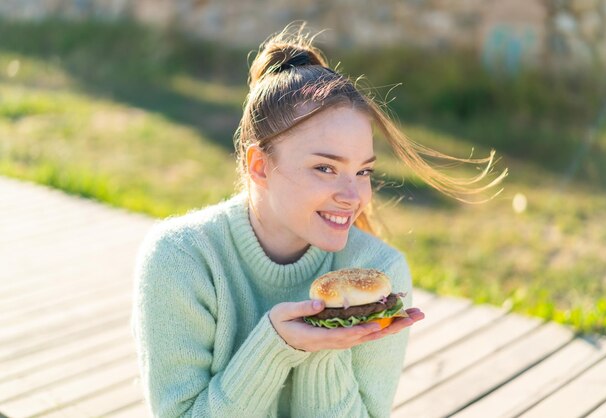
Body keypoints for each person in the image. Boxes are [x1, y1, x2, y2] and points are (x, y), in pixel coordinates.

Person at [131, 23, 506, 418]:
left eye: (364, 172)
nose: (353, 196)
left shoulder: (378, 276)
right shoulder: (182, 259)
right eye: (326, 168)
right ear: (259, 165)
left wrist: (326, 342)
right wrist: (277, 346)